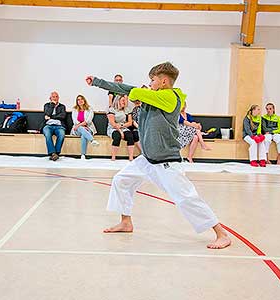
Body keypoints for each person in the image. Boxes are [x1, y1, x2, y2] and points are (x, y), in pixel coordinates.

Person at [85, 62, 231, 249]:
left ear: (163, 81)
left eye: (152, 80)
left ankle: (222, 234)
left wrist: (132, 91)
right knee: (121, 180)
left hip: (167, 162)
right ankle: (126, 222)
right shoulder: (154, 97)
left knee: (186, 198)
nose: (150, 83)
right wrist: (99, 82)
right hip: (147, 159)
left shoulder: (171, 97)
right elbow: (130, 90)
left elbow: (132, 91)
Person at [70, 95, 100, 159]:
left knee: (84, 135)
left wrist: (80, 125)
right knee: (81, 129)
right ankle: (92, 140)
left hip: (88, 128)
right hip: (77, 129)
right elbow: (75, 121)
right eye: (78, 100)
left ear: (84, 100)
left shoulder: (90, 109)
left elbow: (88, 120)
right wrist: (80, 126)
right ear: (77, 102)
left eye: (81, 99)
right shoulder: (74, 109)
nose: (80, 101)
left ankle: (83, 155)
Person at [107, 95, 135, 161]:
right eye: (122, 100)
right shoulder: (111, 109)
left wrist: (122, 126)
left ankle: (131, 157)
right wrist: (121, 131)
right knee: (117, 136)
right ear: (117, 101)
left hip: (123, 127)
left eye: (125, 100)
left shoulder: (127, 110)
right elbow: (113, 123)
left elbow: (130, 122)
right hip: (113, 128)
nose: (124, 102)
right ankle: (113, 157)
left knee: (130, 136)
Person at [42, 91, 66, 161]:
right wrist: (52, 105)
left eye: (56, 97)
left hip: (59, 126)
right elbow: (47, 114)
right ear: (50, 98)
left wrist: (51, 117)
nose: (55, 98)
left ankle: (56, 153)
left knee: (61, 134)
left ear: (58, 98)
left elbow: (62, 116)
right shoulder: (47, 105)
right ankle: (53, 153)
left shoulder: (62, 106)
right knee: (47, 134)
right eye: (53, 97)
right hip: (48, 125)